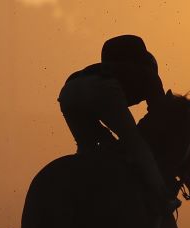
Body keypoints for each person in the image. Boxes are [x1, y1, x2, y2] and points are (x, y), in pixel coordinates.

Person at [58, 35, 181, 215]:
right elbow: (159, 115)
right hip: (100, 89)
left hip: (69, 91)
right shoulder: (147, 73)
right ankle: (163, 198)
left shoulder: (103, 69)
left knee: (89, 147)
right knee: (136, 145)